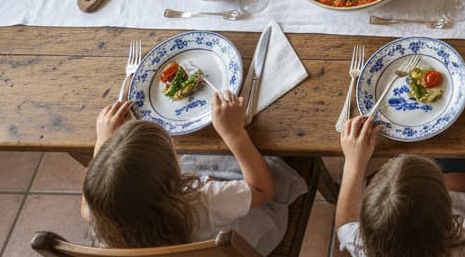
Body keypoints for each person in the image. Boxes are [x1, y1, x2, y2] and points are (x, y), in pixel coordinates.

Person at [82, 92, 304, 254]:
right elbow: (263, 190)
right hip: (244, 246)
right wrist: (234, 134)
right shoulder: (203, 202)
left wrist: (104, 142)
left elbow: (87, 207)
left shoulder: (104, 216)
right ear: (171, 178)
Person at [335, 85, 465, 257]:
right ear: (448, 209)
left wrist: (354, 161)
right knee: (452, 157)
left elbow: (344, 223)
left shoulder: (364, 246)